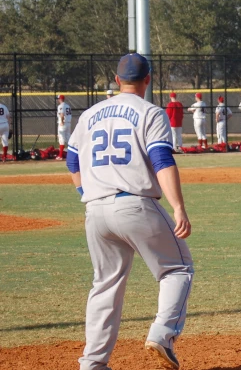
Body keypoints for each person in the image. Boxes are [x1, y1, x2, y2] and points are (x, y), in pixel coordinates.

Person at [66, 53, 193, 370]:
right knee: (177, 269)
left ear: (117, 78)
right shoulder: (149, 112)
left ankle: (92, 364)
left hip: (95, 212)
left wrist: (87, 194)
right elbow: (162, 160)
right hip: (135, 204)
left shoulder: (90, 114)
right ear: (148, 79)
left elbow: (71, 161)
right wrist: (178, 207)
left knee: (105, 285)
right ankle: (162, 335)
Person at [56, 94, 72, 160]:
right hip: (68, 123)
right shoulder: (67, 105)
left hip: (63, 123)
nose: (57, 100)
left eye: (58, 99)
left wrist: (62, 122)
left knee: (61, 139)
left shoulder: (61, 106)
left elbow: (62, 114)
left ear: (60, 99)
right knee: (69, 139)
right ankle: (72, 154)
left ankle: (60, 156)